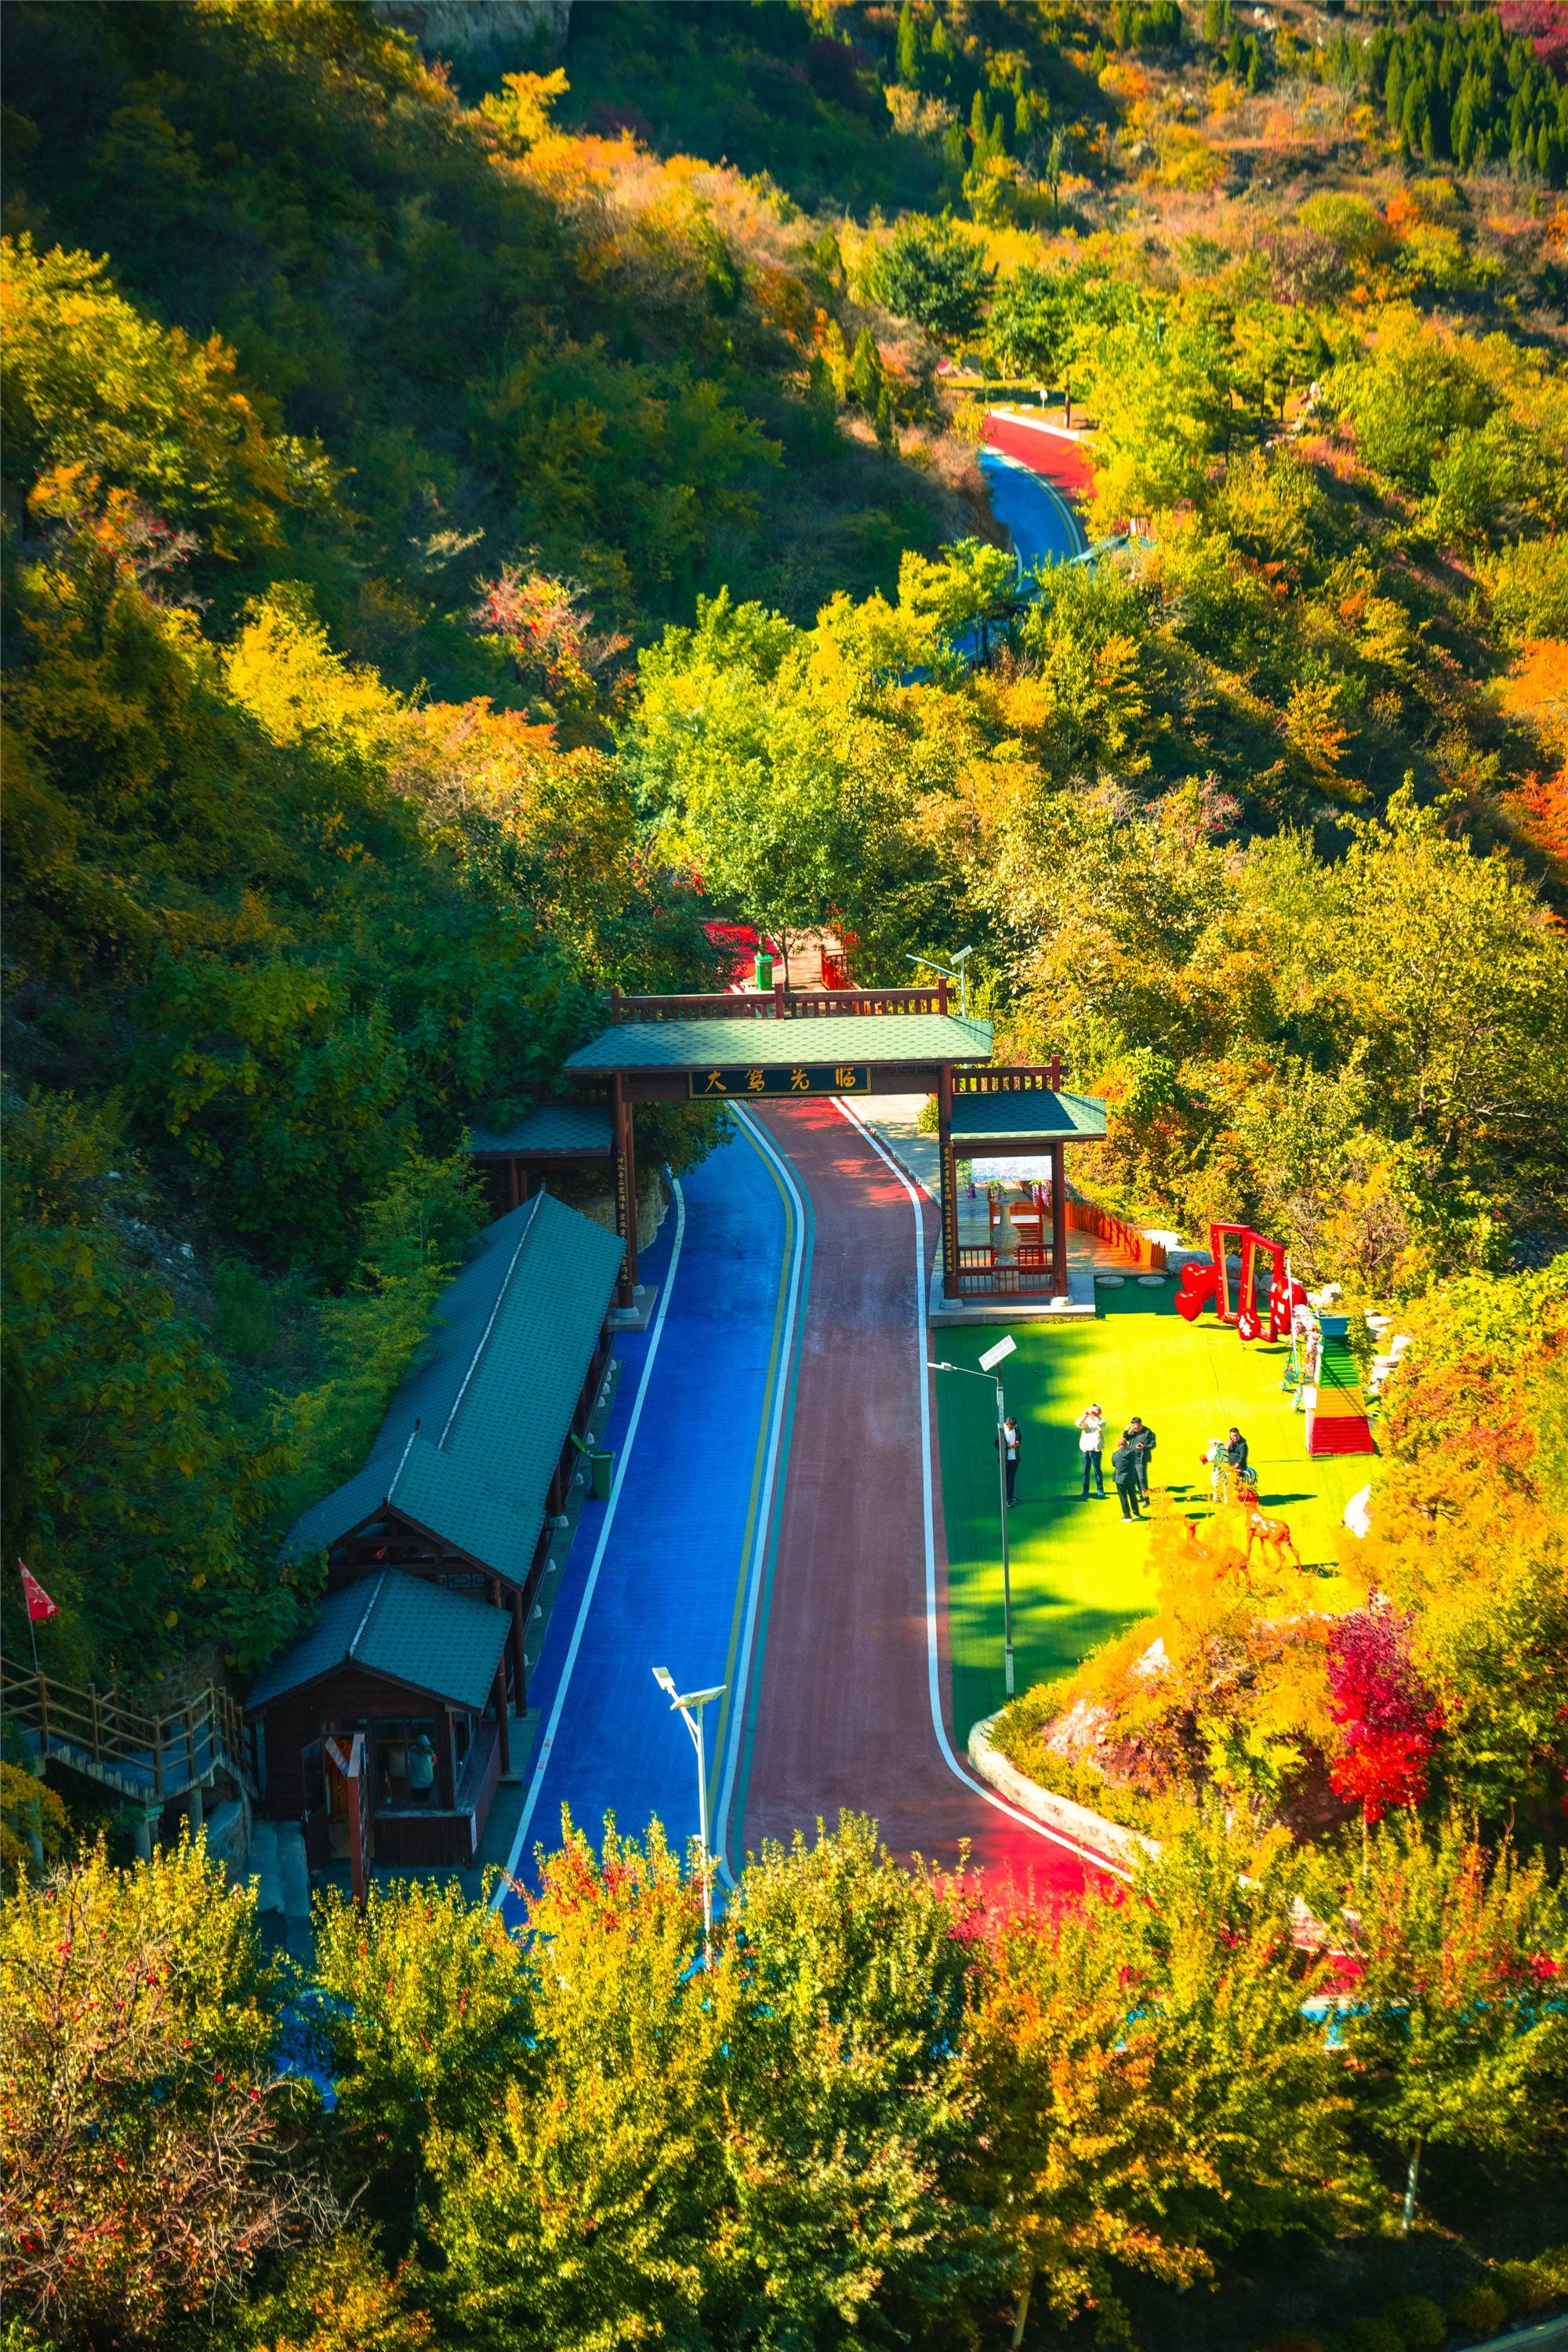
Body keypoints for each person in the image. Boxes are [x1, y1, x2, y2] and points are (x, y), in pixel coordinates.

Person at [1111, 1428, 1143, 1521]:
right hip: (1130, 1479)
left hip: (1120, 1480)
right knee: (1133, 1496)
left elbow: (1114, 1464)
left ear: (1118, 1445)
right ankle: (1136, 1513)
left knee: (1123, 1498)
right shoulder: (1132, 1453)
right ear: (1126, 1444)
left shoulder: (1115, 1455)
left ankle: (1127, 1516)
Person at [1076, 1401, 1105, 1498]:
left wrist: (1094, 1418)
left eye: (1095, 1410)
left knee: (1097, 1470)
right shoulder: (1087, 1421)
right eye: (1092, 1409)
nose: (1093, 1411)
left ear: (1099, 1412)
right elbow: (1078, 1424)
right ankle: (1085, 1490)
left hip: (1095, 1450)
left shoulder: (1102, 1421)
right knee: (1085, 1471)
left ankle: (1100, 1490)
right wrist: (1086, 1416)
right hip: (1085, 1449)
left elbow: (1100, 1427)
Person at [1127, 1414, 1156, 1497]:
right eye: (1133, 1426)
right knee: (1136, 1480)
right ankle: (1141, 1496)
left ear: (1140, 1424)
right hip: (1132, 1459)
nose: (1134, 1428)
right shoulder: (1133, 1431)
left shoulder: (1148, 1433)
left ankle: (1146, 1499)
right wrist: (1126, 1431)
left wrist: (1144, 1447)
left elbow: (1153, 1444)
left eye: (1136, 1426)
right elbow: (1127, 1438)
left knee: (1142, 1480)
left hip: (1141, 1460)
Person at [996, 1414, 1022, 1506]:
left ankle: (1010, 1496)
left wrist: (1018, 1442)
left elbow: (1020, 1437)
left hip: (1015, 1459)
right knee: (1006, 1480)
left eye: (1015, 1426)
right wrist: (1008, 1446)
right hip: (1005, 1460)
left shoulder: (1017, 1429)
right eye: (1012, 1426)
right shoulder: (1001, 1431)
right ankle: (1007, 1499)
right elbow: (996, 1444)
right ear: (1007, 1424)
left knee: (1011, 1479)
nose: (1014, 1428)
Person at [407, 1731, 436, 1803]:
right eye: (424, 1746)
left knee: (427, 1802)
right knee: (418, 1803)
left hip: (428, 1784)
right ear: (419, 1746)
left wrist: (430, 1765)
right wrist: (426, 1755)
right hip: (418, 1785)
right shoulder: (414, 1754)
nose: (426, 1748)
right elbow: (419, 1765)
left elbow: (435, 1760)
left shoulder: (428, 1753)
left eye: (427, 1746)